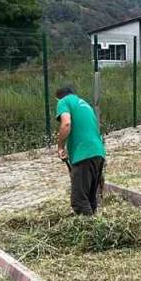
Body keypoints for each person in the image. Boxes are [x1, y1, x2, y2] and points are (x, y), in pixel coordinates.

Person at [55, 86, 106, 215]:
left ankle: (89, 226)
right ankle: (95, 223)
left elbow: (66, 124)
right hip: (98, 153)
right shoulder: (84, 104)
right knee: (90, 198)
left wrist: (60, 147)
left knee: (79, 201)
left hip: (84, 154)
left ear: (58, 98)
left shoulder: (63, 102)